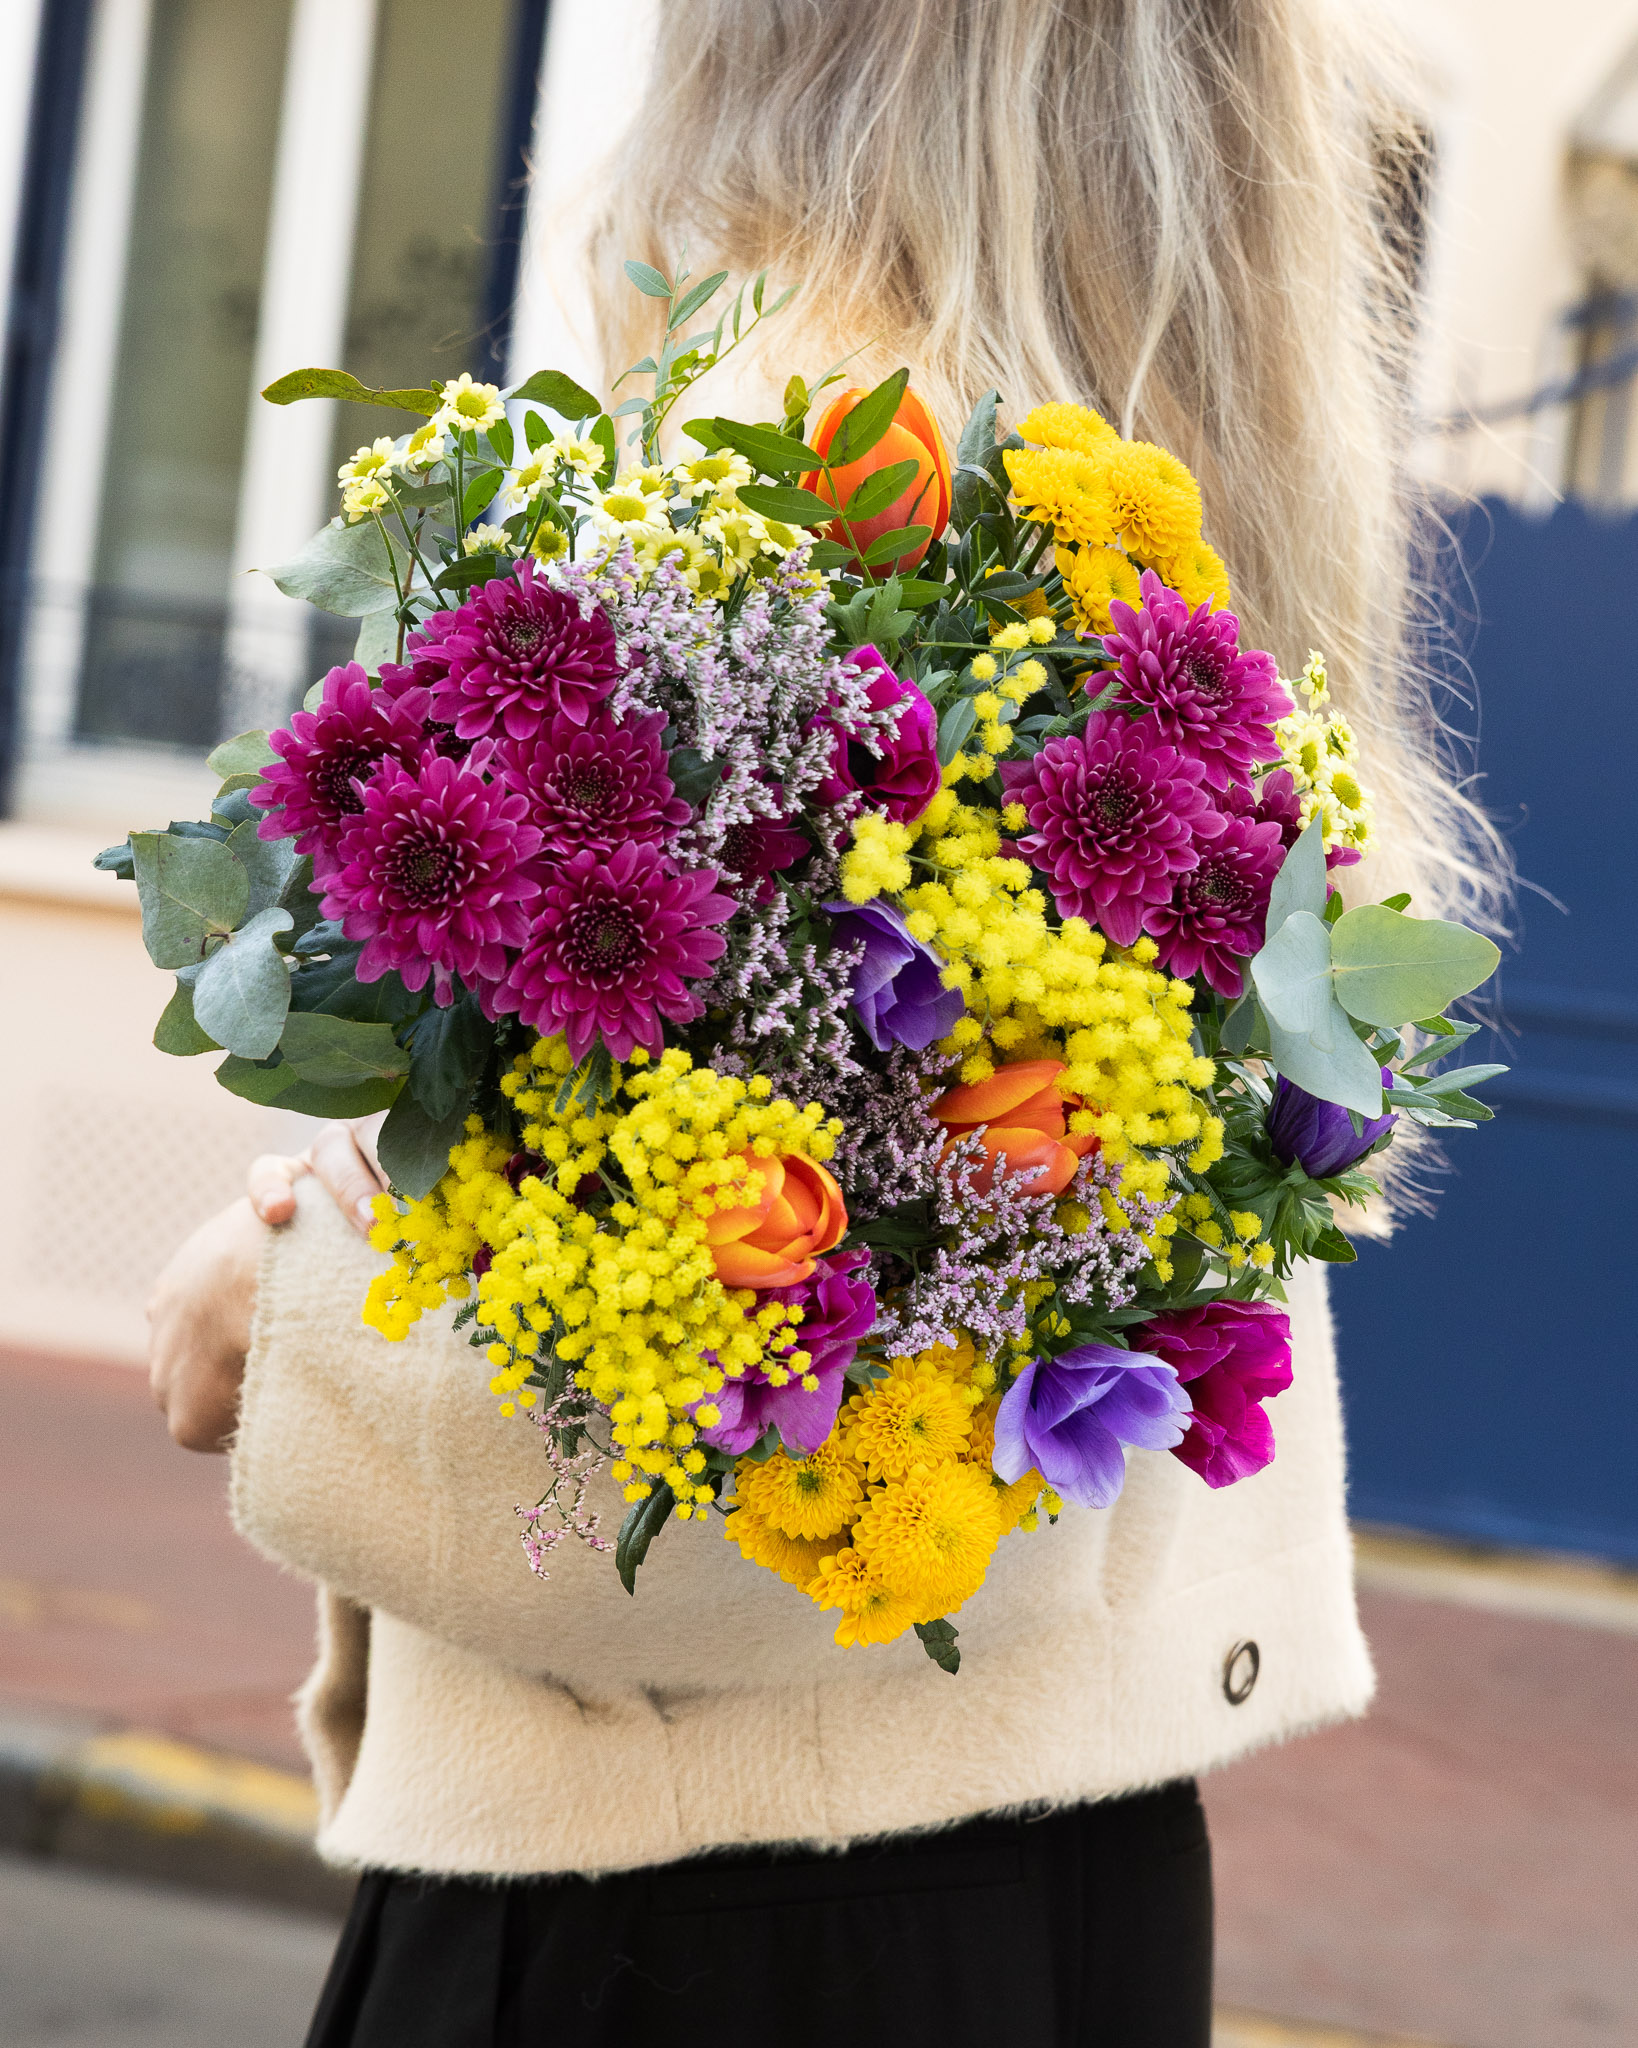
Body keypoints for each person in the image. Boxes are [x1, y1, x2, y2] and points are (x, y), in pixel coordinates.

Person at [146, 4, 1502, 2042]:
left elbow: (663, 1453)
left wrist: (278, 1308)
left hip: (695, 1892)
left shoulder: (819, 475)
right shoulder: (1196, 524)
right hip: (1073, 1861)